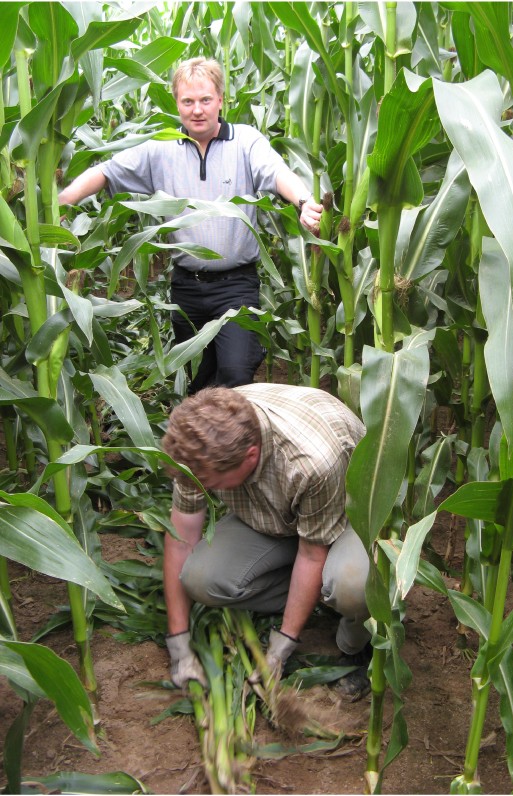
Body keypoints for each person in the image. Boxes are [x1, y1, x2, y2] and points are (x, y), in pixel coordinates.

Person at [58, 57, 323, 393]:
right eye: (188, 101)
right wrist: (62, 203)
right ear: (177, 103)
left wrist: (302, 202)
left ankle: (236, 444)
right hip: (185, 288)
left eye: (205, 100)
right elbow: (106, 171)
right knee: (195, 387)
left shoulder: (245, 141)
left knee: (236, 374)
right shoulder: (160, 148)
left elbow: (277, 172)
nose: (197, 110)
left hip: (236, 286)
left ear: (221, 100)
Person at [160, 383, 372, 699]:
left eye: (211, 484)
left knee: (352, 586)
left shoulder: (311, 461)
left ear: (251, 456)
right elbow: (181, 539)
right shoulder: (199, 450)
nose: (201, 487)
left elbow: (313, 553)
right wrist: (179, 645)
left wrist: (278, 651)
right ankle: (314, 592)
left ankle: (356, 646)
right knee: (200, 578)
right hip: (279, 514)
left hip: (347, 511)